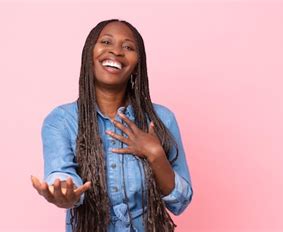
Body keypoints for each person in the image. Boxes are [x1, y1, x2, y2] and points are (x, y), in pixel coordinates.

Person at [31, 19, 193, 232]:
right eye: (106, 42)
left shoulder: (162, 119)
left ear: (137, 66)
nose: (116, 51)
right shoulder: (61, 120)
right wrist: (63, 191)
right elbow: (61, 173)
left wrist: (155, 155)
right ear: (89, 55)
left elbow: (180, 202)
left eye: (128, 47)